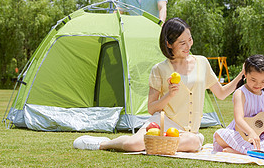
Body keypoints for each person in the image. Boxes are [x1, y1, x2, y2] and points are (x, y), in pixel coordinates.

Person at [73, 17, 244, 152]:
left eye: (190, 40)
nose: (188, 46)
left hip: (188, 132)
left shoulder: (202, 63)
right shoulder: (159, 69)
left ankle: (158, 145)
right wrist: (169, 94)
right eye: (182, 43)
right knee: (134, 145)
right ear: (169, 44)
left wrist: (242, 75)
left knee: (193, 141)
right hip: (163, 123)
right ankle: (103, 144)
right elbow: (152, 108)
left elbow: (221, 94)